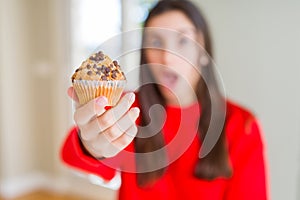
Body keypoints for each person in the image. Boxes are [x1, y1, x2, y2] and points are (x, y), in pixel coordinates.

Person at [61, 0, 268, 199]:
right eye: (156, 42)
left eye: (183, 40)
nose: (167, 57)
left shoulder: (242, 126)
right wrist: (92, 146)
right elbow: (69, 154)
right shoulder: (129, 109)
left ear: (203, 51)